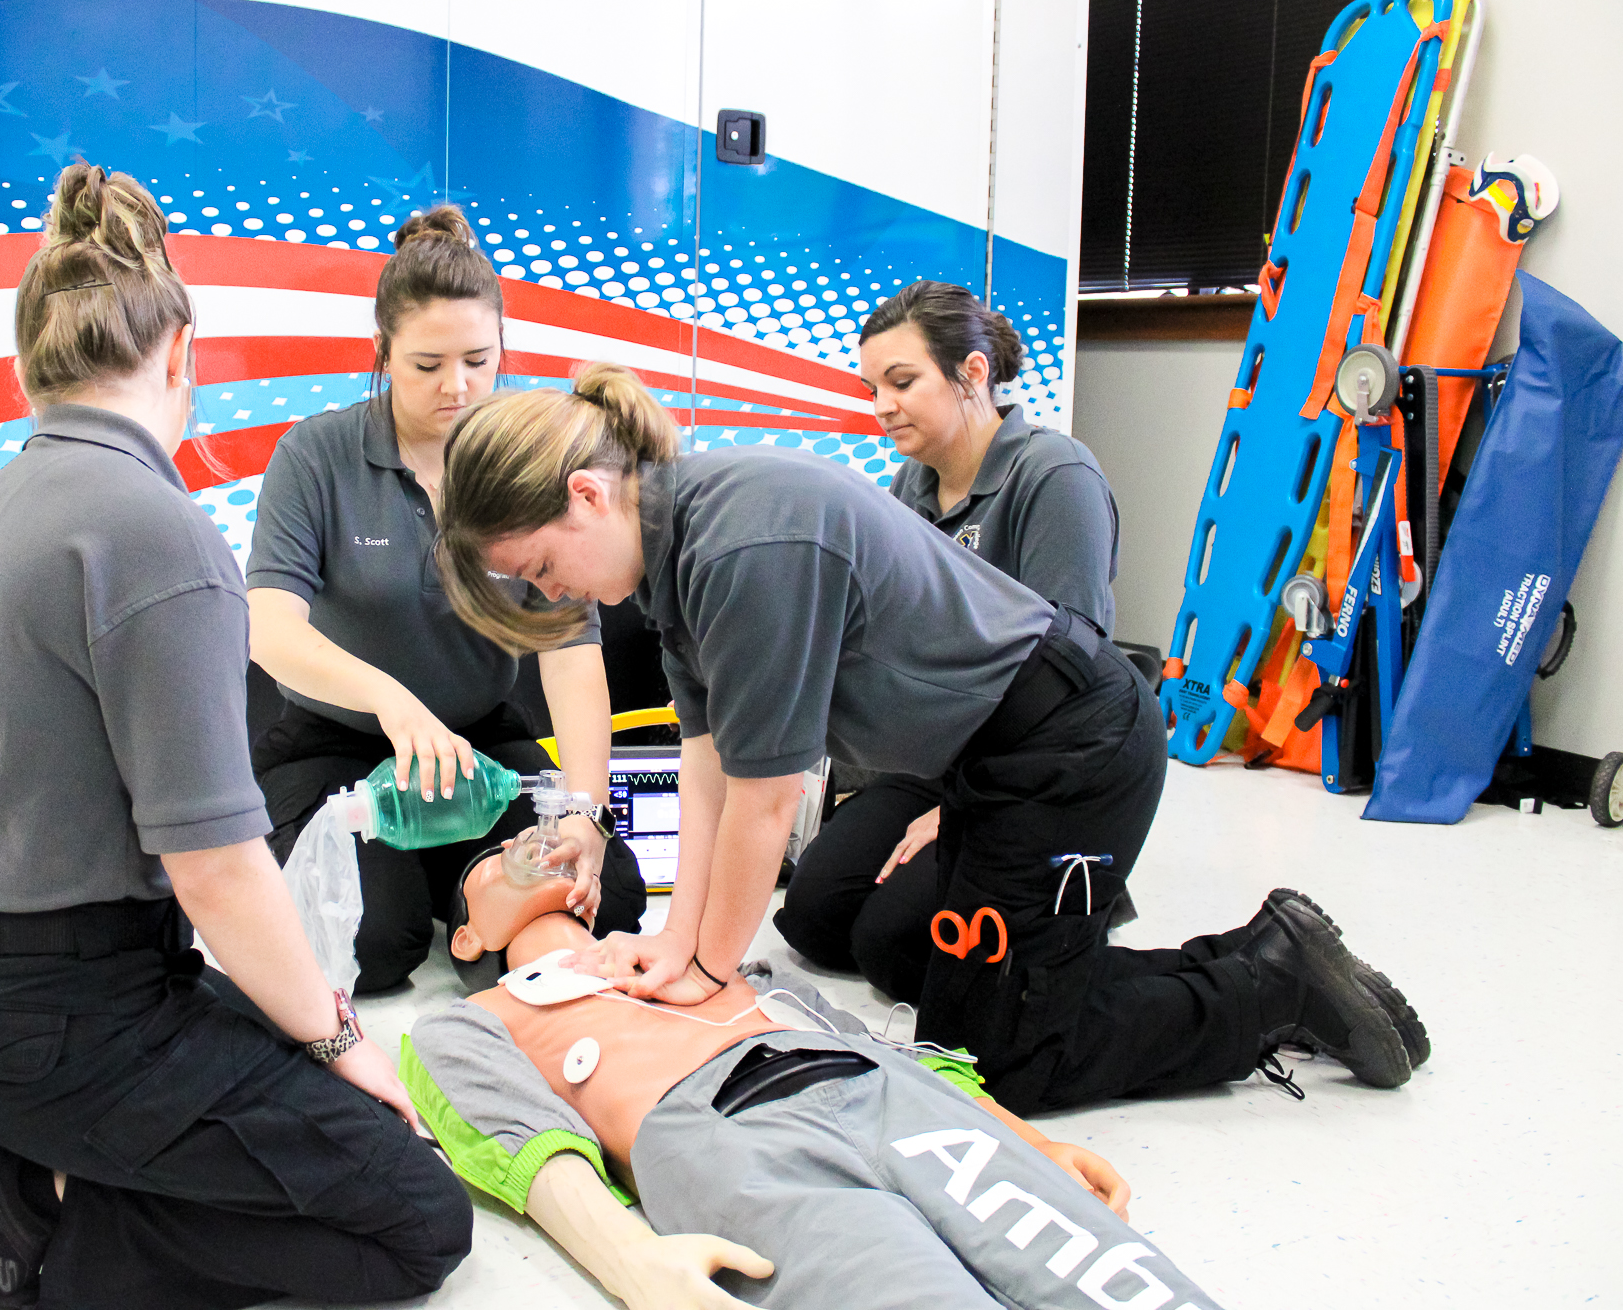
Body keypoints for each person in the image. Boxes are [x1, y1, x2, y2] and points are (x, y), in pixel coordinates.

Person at [431, 362, 1428, 1118]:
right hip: (979, 756)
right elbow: (705, 772)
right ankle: (1152, 972)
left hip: (1067, 742)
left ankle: (1268, 981)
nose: (548, 594)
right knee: (912, 964)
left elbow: (766, 800)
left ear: (587, 495)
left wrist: (710, 972)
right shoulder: (671, 560)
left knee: (997, 1065)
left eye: (538, 567)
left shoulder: (744, 542)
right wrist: (671, 941)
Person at [0, 164, 471, 1310]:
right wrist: (340, 1043)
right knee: (415, 1216)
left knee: (260, 1056)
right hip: (79, 1022)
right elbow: (212, 867)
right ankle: (40, 1214)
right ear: (179, 357)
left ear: (29, 370)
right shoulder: (156, 539)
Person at [402, 844, 1229, 1310]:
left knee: (1136, 1291)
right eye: (494, 860)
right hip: (727, 1139)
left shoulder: (710, 958)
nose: (524, 846)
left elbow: (880, 1044)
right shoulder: (472, 1023)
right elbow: (532, 1154)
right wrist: (634, 1265)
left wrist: (1025, 1138)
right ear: (467, 939)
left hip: (876, 1085)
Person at [245, 204, 646, 994]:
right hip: (337, 746)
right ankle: (447, 878)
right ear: (382, 352)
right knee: (373, 942)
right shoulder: (316, 457)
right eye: (427, 364)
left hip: (478, 749)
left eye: (478, 360)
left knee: (611, 893)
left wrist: (583, 810)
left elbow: (570, 652)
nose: (456, 387)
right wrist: (390, 701)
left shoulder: (525, 455)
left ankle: (456, 871)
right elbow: (269, 628)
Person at [778, 282, 1123, 1007]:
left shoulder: (1054, 475)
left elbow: (1075, 670)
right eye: (873, 386)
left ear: (972, 373)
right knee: (813, 914)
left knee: (894, 948)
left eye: (901, 382)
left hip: (1027, 763)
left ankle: (1068, 894)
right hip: (938, 758)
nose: (881, 405)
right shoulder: (912, 484)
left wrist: (958, 814)